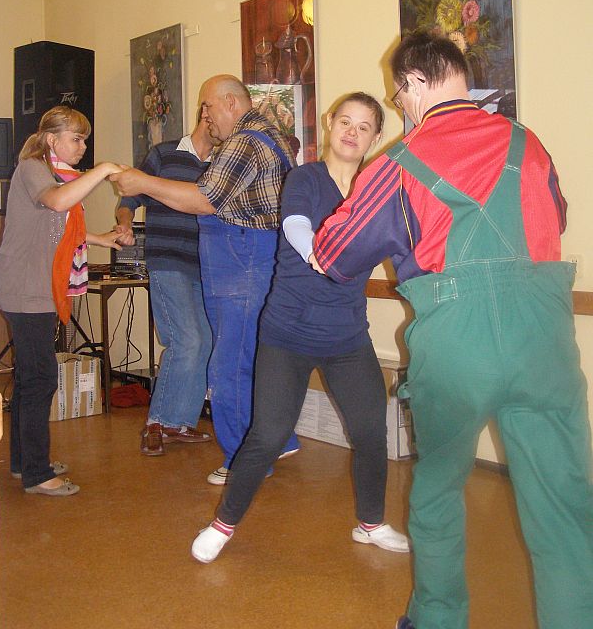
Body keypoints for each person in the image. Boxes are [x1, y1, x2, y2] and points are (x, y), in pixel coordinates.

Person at [312, 33, 593, 629]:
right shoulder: (528, 144)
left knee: (438, 493)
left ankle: (436, 619)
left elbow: (335, 254)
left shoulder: (395, 163)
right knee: (564, 507)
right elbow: (557, 217)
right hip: (545, 339)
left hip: (456, 342)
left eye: (399, 95)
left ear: (416, 82)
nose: (402, 108)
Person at [191, 92, 410, 563]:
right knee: (268, 435)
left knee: (371, 431)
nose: (352, 132)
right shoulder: (305, 177)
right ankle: (223, 524)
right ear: (330, 123)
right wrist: (318, 252)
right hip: (287, 334)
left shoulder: (376, 190)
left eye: (364, 127)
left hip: (347, 337)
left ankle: (371, 523)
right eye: (345, 121)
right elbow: (294, 224)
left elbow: (399, 242)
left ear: (375, 137)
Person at [111, 74, 299, 482]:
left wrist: (142, 181)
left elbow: (204, 200)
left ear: (231, 103)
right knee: (252, 358)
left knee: (229, 366)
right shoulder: (272, 137)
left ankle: (243, 460)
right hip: (253, 263)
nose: (205, 115)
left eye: (209, 106)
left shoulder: (243, 143)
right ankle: (279, 440)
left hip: (242, 265)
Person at [0, 107, 122, 496]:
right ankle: (37, 473)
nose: (82, 147)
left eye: (85, 140)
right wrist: (103, 170)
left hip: (36, 286)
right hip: (25, 287)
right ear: (52, 139)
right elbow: (58, 203)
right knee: (40, 379)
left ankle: (23, 463)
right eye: (76, 139)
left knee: (29, 377)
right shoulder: (33, 168)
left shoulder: (55, 174)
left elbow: (59, 228)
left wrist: (100, 238)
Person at [115, 116, 215, 455]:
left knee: (205, 343)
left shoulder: (221, 165)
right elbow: (129, 199)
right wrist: (124, 225)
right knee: (185, 340)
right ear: (207, 114)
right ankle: (156, 423)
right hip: (167, 262)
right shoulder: (164, 154)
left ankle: (178, 423)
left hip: (204, 268)